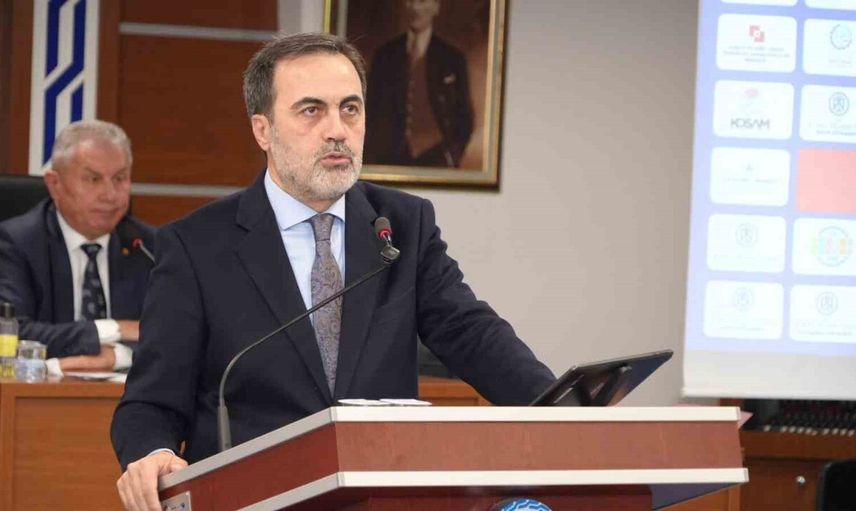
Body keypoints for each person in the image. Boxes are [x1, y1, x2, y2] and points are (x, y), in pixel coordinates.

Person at [111, 32, 554, 511]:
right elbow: (150, 401)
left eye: (350, 109)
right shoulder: (196, 245)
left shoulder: (403, 225)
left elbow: (472, 334)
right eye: (311, 110)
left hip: (380, 498)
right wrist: (152, 453)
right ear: (262, 130)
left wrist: (567, 411)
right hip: (256, 499)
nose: (337, 130)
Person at [0, 120, 155, 374]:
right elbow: (10, 333)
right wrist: (114, 329)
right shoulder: (16, 243)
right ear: (55, 185)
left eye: (119, 178)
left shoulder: (149, 247)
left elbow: (179, 334)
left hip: (131, 395)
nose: (110, 194)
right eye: (93, 179)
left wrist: (117, 356)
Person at [364, 0, 474, 167]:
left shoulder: (452, 58)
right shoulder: (384, 55)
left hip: (437, 159)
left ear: (436, 7)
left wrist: (451, 155)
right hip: (390, 160)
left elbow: (465, 117)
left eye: (422, 1)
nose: (415, 7)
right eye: (410, 1)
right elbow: (370, 112)